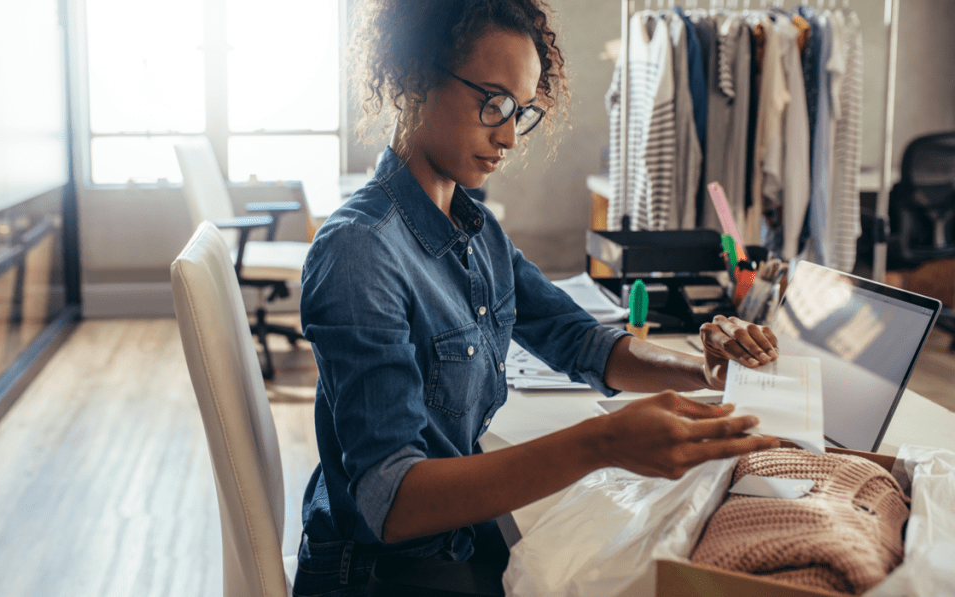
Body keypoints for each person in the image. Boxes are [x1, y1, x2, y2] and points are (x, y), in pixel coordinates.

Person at [294, 0, 780, 594]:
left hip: (451, 542)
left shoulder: (473, 229)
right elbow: (391, 502)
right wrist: (603, 442)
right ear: (415, 79)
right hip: (381, 575)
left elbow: (580, 340)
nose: (508, 137)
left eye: (520, 112)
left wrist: (703, 372)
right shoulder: (361, 252)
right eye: (491, 102)